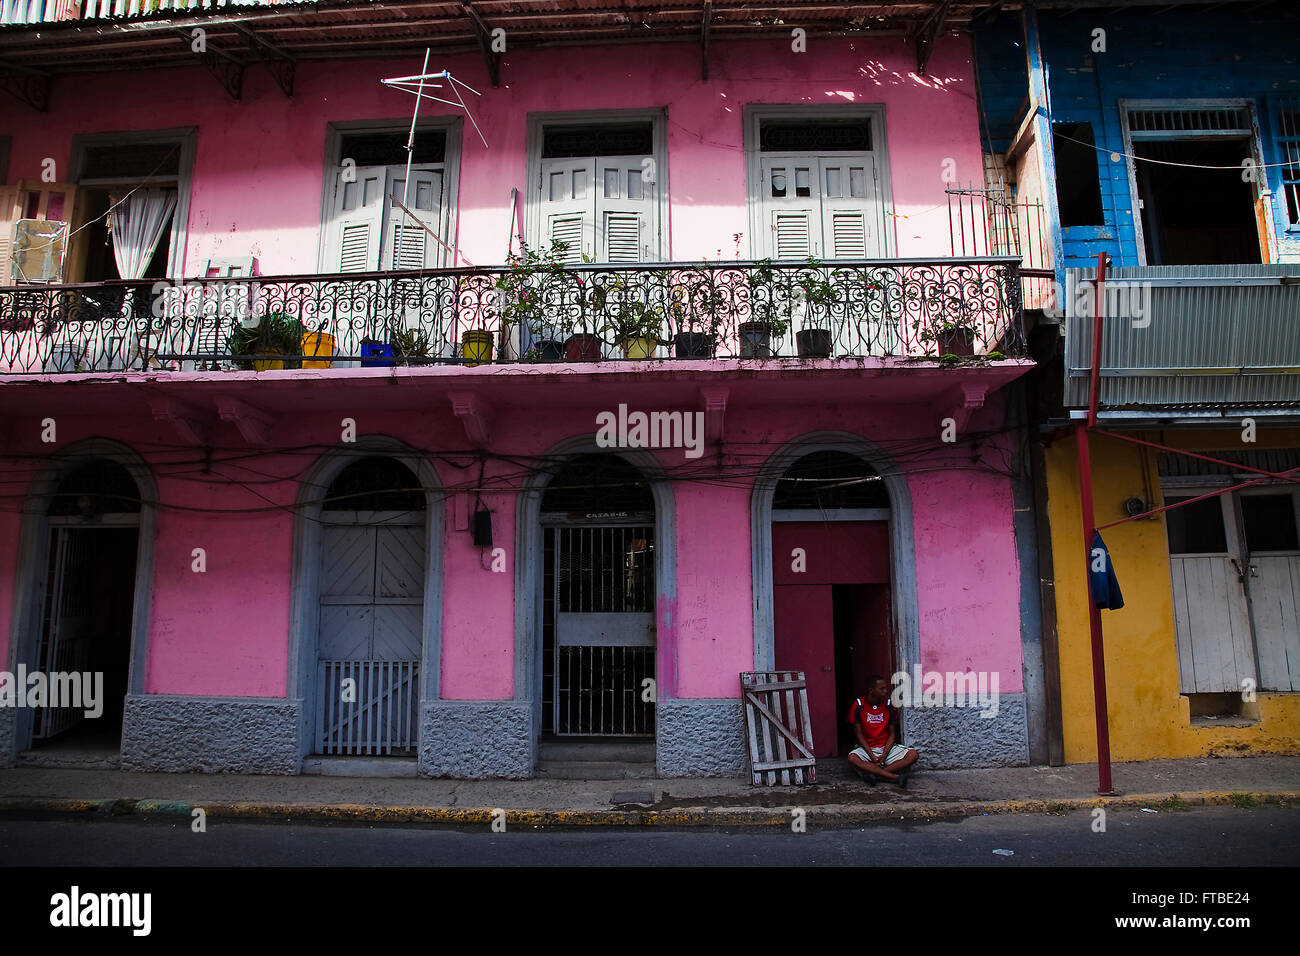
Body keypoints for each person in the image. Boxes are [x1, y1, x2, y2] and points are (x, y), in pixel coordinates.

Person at [846, 674, 919, 787]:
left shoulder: (888, 705)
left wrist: (883, 756)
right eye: (882, 689)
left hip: (886, 749)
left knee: (913, 754)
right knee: (852, 758)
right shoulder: (858, 705)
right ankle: (894, 777)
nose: (885, 691)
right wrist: (872, 757)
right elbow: (859, 735)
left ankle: (876, 776)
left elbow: (892, 734)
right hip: (867, 749)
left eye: (886, 688)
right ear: (871, 690)